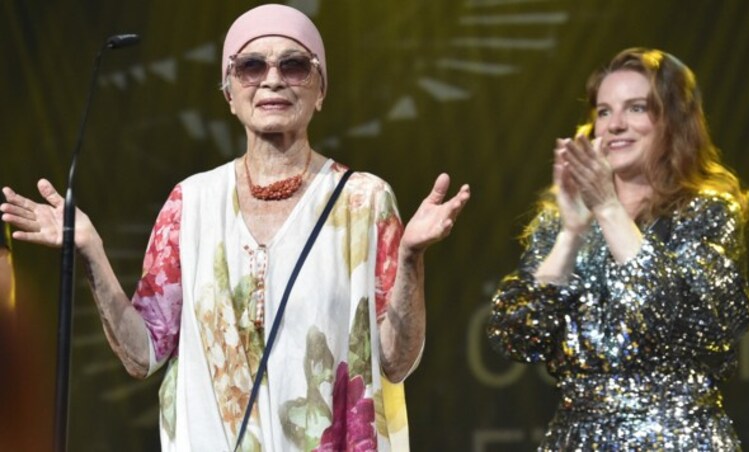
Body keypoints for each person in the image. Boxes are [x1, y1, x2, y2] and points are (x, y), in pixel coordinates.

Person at [1, 4, 470, 451]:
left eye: (294, 66)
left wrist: (410, 258)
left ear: (320, 90)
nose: (272, 80)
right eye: (250, 66)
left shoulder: (364, 200)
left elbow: (394, 360)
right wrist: (91, 251)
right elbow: (143, 354)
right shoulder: (191, 203)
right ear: (228, 93)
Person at [486, 48, 749, 450]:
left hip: (678, 439)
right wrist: (572, 233)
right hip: (576, 439)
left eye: (636, 108)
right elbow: (516, 335)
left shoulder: (707, 211)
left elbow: (678, 320)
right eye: (603, 111)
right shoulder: (563, 219)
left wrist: (610, 209)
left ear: (672, 120)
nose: (615, 125)